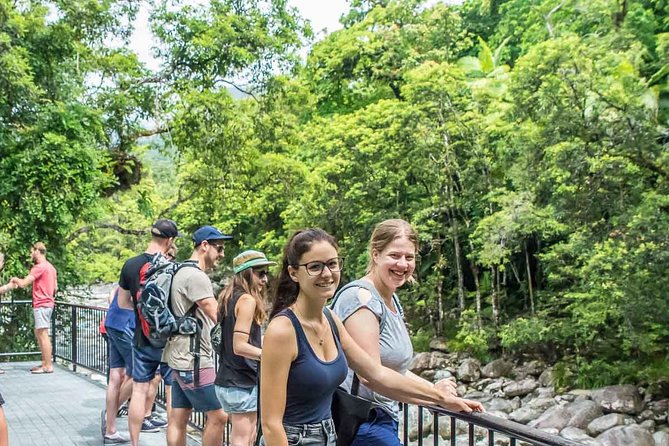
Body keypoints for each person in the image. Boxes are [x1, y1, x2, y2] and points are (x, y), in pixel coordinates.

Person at [260, 228, 483, 446]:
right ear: (293, 273)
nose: (327, 274)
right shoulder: (283, 330)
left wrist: (441, 398)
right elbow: (271, 425)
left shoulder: (330, 320)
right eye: (315, 267)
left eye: (332, 264)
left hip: (329, 434)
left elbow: (376, 373)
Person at [332, 218, 459, 445]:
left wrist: (433, 388)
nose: (403, 264)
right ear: (375, 254)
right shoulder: (360, 299)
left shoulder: (391, 300)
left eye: (409, 257)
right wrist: (436, 397)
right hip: (361, 421)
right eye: (395, 255)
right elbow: (370, 375)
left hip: (383, 417)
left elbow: (394, 368)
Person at [164, 226, 231, 446]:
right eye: (219, 248)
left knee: (178, 417)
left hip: (178, 356)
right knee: (219, 416)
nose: (222, 254)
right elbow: (217, 315)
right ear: (204, 246)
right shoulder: (196, 276)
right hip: (194, 361)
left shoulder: (181, 270)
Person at [116, 219, 180, 446]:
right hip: (168, 342)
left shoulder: (130, 265)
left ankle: (134, 443)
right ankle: (173, 441)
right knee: (173, 393)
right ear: (170, 240)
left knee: (139, 390)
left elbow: (123, 302)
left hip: (142, 338)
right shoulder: (172, 267)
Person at [215, 250, 276, 446]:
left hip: (228, 380)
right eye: (260, 273)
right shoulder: (247, 300)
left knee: (243, 437)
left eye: (266, 273)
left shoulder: (228, 296)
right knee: (244, 439)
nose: (265, 279)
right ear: (247, 273)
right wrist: (270, 356)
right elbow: (239, 346)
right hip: (241, 382)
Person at [10, 242, 57, 374]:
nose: (30, 254)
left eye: (32, 252)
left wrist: (15, 279)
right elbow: (55, 288)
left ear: (37, 251)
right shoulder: (51, 267)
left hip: (42, 304)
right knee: (39, 332)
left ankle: (48, 365)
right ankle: (44, 362)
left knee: (43, 334)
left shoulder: (39, 267)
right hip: (48, 303)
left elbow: (24, 283)